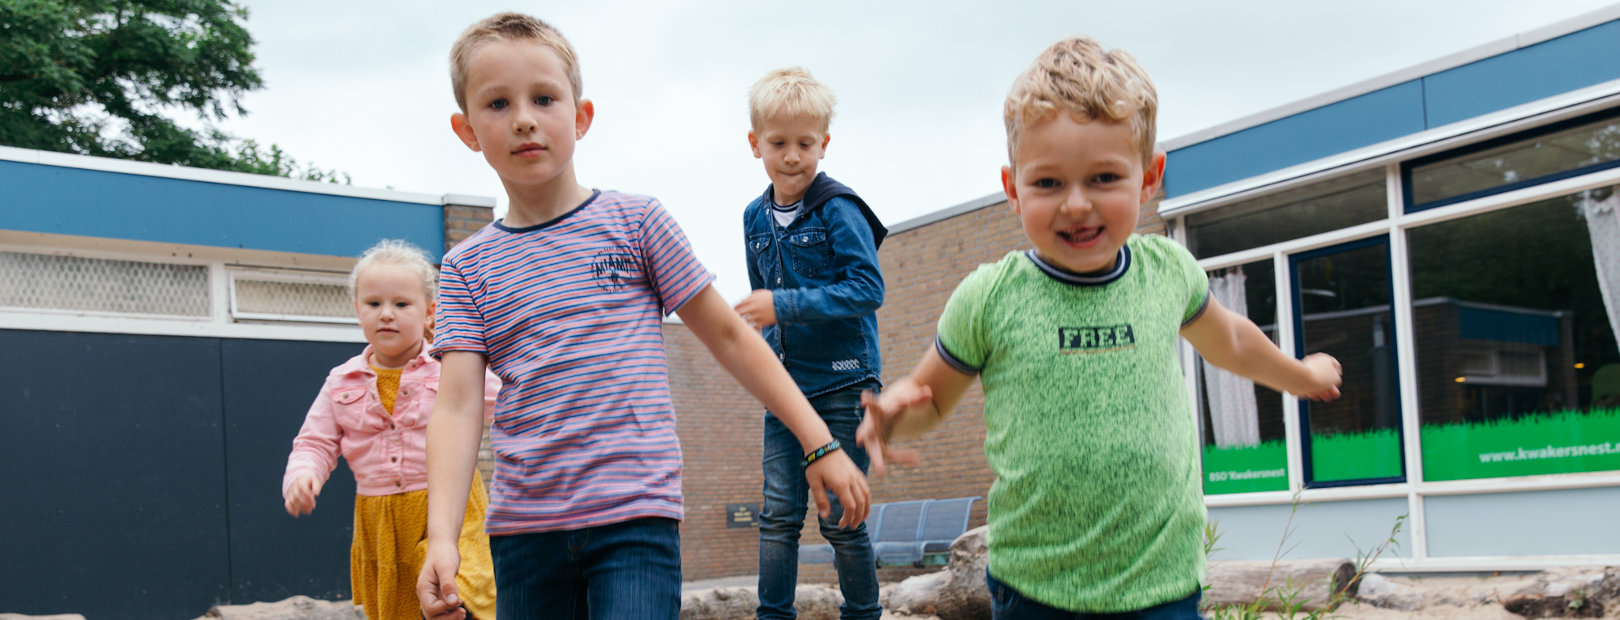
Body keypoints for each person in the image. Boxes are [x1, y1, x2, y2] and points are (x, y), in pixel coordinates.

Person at [856, 36, 1344, 619]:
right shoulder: (990, 297)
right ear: (1013, 189)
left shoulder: (1166, 274)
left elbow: (1232, 341)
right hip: (1036, 584)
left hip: (1161, 580)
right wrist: (891, 419)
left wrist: (1297, 374)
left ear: (1148, 177)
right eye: (1049, 183)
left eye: (1104, 178)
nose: (1077, 204)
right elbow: (930, 402)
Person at [415, 13, 871, 620]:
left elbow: (733, 338)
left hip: (635, 518)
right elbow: (457, 407)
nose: (523, 117)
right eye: (498, 103)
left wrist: (820, 444)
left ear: (580, 117)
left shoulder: (637, 224)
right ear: (467, 130)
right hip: (524, 533)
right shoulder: (466, 266)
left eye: (543, 98)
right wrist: (442, 537)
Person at [736, 66, 888, 620]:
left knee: (839, 516)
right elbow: (763, 298)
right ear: (756, 145)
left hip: (845, 380)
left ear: (824, 143)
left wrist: (786, 304)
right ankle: (772, 615)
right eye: (779, 143)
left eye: (805, 143)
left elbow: (868, 288)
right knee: (777, 513)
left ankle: (863, 614)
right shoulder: (754, 217)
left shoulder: (838, 209)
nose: (793, 155)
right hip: (787, 388)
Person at [282, 239, 500, 619]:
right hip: (381, 521)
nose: (386, 314)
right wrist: (302, 476)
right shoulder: (341, 380)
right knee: (399, 608)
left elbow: (515, 404)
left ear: (430, 312)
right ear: (357, 309)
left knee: (460, 595)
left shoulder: (453, 368)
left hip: (452, 508)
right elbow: (314, 442)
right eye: (373, 304)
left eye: (401, 304)